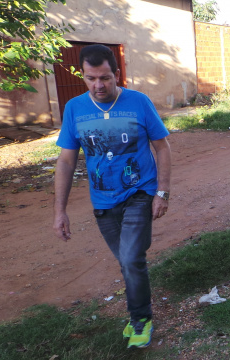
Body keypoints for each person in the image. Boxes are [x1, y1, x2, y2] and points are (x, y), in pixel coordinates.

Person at [53, 44, 171, 349]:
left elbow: (162, 147)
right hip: (103, 202)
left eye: (105, 77)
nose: (99, 85)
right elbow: (66, 161)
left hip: (139, 192)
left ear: (116, 74)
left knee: (131, 257)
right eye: (91, 78)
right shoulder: (75, 109)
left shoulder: (138, 102)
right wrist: (60, 211)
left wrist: (162, 192)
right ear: (83, 76)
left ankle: (141, 320)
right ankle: (138, 311)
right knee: (128, 260)